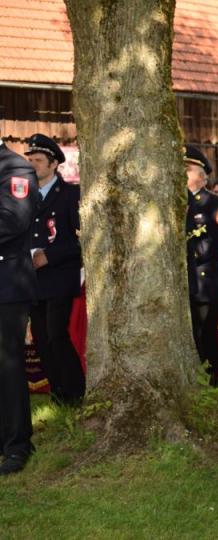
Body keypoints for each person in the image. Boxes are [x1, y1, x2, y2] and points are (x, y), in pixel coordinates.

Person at [23, 134, 85, 406]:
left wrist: (50, 255)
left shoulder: (71, 194)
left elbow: (84, 240)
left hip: (60, 276)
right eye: (30, 160)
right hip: (32, 279)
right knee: (40, 337)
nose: (32, 165)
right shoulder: (25, 196)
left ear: (53, 164)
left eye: (38, 160)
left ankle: (74, 391)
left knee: (56, 334)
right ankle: (57, 392)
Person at [0, 139, 40, 476]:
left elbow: (12, 221)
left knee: (8, 366)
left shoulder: (16, 168)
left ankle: (17, 444)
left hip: (7, 284)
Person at [184, 146, 218, 387]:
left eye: (187, 170)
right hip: (183, 283)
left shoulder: (214, 204)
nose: (181, 174)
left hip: (202, 282)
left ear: (202, 176)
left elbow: (207, 248)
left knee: (204, 335)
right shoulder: (175, 201)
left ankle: (210, 382)